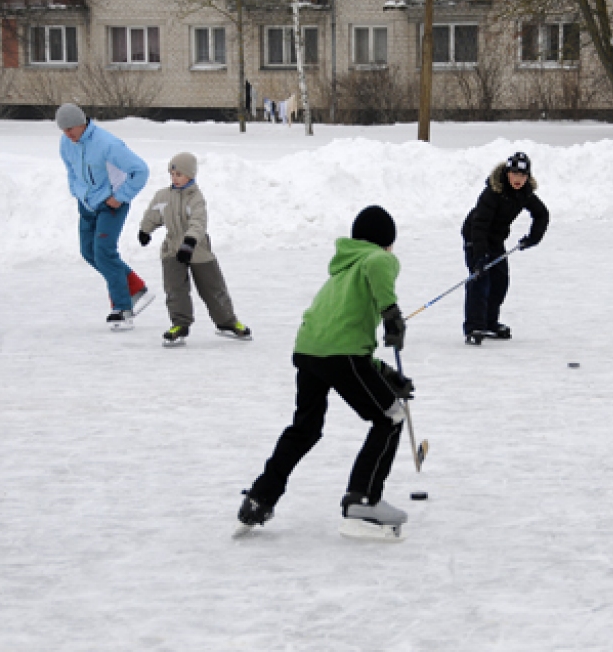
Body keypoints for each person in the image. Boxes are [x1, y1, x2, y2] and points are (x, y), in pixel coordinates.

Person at [237, 206, 414, 533]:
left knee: (305, 428)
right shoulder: (377, 259)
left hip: (309, 351)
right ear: (385, 242)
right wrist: (390, 311)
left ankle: (261, 497)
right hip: (341, 354)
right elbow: (378, 264)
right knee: (390, 417)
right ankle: (364, 499)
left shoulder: (341, 272)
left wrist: (385, 374)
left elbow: (339, 336)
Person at [137, 152, 251, 346]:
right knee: (175, 289)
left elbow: (198, 222)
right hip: (172, 249)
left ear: (190, 175)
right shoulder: (163, 196)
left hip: (197, 248)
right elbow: (153, 214)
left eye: (179, 174)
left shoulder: (196, 198)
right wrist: (145, 230)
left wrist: (189, 243)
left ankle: (227, 322)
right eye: (172, 174)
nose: (175, 178)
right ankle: (180, 325)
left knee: (213, 287)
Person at [57, 103, 154, 330]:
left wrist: (120, 197)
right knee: (89, 252)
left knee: (104, 252)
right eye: (63, 130)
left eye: (70, 128)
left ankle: (123, 308)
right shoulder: (66, 143)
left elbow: (140, 170)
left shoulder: (107, 144)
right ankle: (136, 287)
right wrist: (77, 192)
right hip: (87, 204)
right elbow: (71, 171)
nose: (67, 134)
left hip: (111, 204)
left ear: (82, 123)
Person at [461, 151, 549, 345]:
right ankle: (474, 326)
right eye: (515, 174)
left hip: (496, 240)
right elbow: (480, 225)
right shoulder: (493, 192)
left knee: (500, 281)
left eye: (523, 175)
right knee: (480, 279)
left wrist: (533, 238)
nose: (518, 179)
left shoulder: (524, 193)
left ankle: (489, 322)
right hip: (475, 236)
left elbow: (541, 214)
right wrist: (480, 256)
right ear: (507, 173)